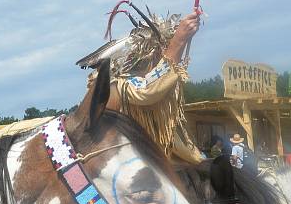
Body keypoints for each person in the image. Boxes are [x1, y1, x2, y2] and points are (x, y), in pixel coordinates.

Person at [79, 10, 203, 163]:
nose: (163, 55)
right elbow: (147, 90)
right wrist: (178, 41)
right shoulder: (117, 85)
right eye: (161, 50)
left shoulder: (123, 83)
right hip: (123, 164)